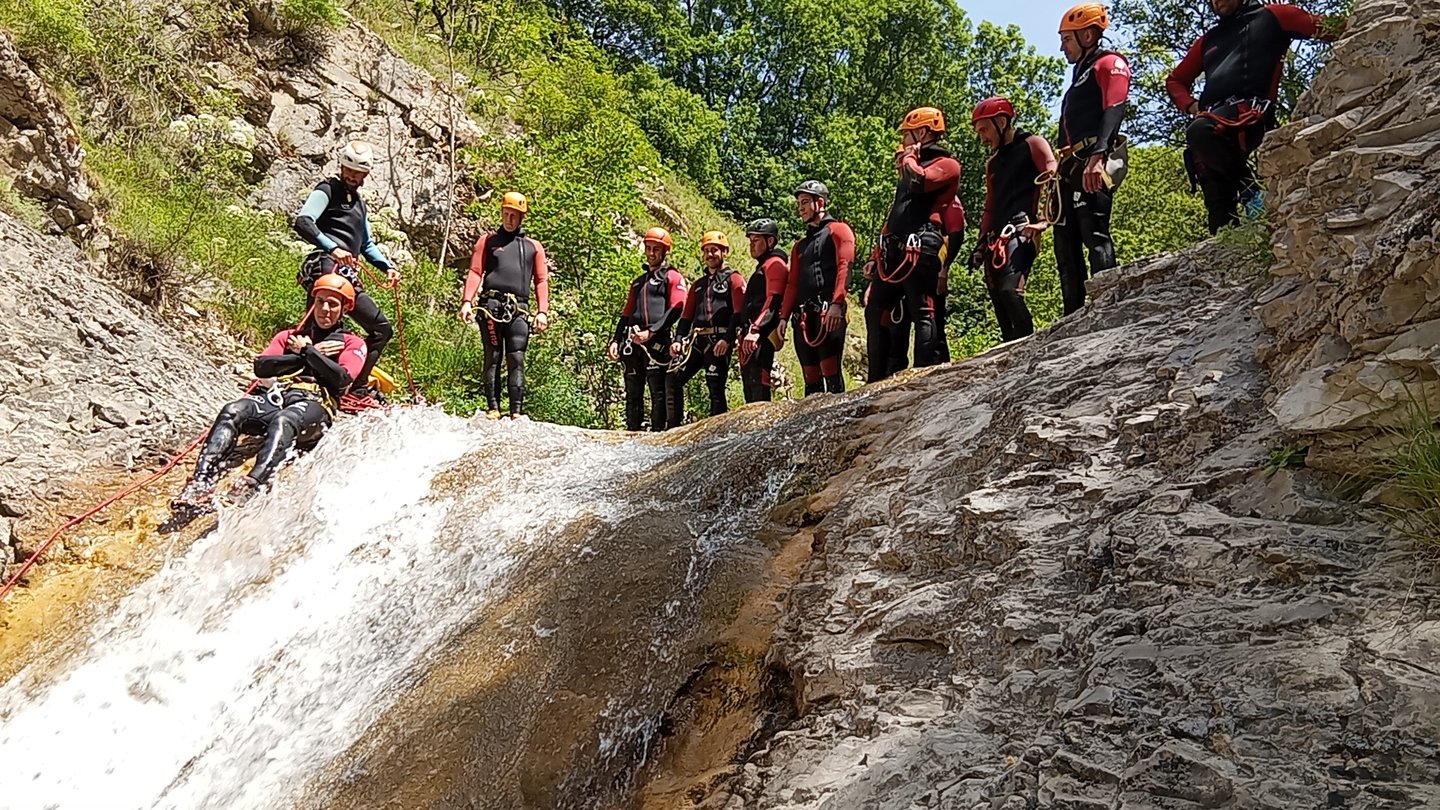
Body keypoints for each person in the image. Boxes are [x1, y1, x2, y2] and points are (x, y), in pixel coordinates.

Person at [171, 274, 368, 511]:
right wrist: (307, 352)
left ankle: (252, 484)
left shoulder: (351, 343)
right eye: (321, 301)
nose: (325, 309)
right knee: (233, 410)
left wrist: (308, 353)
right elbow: (261, 366)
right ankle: (201, 481)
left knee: (286, 419)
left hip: (316, 405)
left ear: (345, 308)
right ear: (313, 302)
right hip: (278, 397)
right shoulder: (289, 337)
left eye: (333, 304)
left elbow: (341, 379)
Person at [1165, 0, 1339, 234]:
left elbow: (1331, 27)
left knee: (1199, 131)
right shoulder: (1208, 40)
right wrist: (1191, 105)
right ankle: (1230, 258)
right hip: (1211, 125)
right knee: (1218, 210)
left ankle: (1251, 192)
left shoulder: (1274, 15)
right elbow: (1175, 81)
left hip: (1249, 113)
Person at [292, 140, 401, 398]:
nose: (352, 176)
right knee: (319, 325)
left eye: (358, 172)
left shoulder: (360, 205)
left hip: (347, 275)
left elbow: (366, 244)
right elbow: (304, 221)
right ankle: (307, 379)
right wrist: (333, 248)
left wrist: (387, 266)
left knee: (382, 329)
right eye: (349, 170)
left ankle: (356, 385)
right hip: (327, 267)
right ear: (341, 166)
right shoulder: (328, 189)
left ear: (366, 174)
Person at [863, 107, 962, 382]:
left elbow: (920, 182)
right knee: (876, 310)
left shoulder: (946, 164)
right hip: (895, 247)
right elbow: (895, 212)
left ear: (922, 132)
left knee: (922, 310)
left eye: (906, 134)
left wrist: (908, 158)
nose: (902, 140)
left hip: (922, 242)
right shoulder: (908, 168)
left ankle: (921, 378)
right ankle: (875, 380)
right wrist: (875, 254)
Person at [1055, 2, 1131, 315]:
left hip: (1093, 159)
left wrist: (1098, 155)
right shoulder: (1080, 73)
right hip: (1071, 164)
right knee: (1065, 244)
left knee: (1094, 232)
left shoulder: (1108, 63)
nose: (1062, 47)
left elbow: (1115, 107)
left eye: (1067, 39)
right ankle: (1072, 317)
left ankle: (1106, 307)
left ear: (1088, 34)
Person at [969, 96, 1057, 343]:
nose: (982, 137)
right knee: (1000, 305)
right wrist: (979, 245)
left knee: (1011, 292)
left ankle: (1031, 348)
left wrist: (1044, 221)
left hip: (1021, 231)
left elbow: (1053, 178)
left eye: (984, 129)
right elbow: (990, 207)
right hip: (995, 238)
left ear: (1001, 121)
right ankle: (1012, 359)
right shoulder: (993, 163)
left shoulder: (1033, 144)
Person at [459, 192, 551, 419]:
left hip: (519, 309)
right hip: (491, 305)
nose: (509, 219)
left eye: (514, 215)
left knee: (516, 358)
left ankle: (516, 412)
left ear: (521, 217)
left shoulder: (533, 247)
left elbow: (541, 280)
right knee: (493, 356)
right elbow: (475, 271)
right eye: (506, 214)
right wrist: (467, 301)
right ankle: (493, 408)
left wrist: (542, 312)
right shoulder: (487, 241)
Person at [607, 227, 687, 431]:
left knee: (657, 392)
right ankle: (632, 433)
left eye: (656, 249)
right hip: (633, 342)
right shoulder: (638, 283)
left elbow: (677, 308)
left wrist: (651, 332)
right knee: (633, 392)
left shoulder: (672, 277)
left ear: (665, 251)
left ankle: (658, 434)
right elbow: (626, 313)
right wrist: (615, 340)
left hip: (656, 342)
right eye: (649, 248)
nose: (651, 253)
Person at [780, 180, 854, 396]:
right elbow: (792, 283)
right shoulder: (799, 246)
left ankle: (839, 423)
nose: (800, 208)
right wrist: (784, 316)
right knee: (810, 379)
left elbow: (845, 267)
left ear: (820, 202)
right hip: (803, 318)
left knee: (830, 373)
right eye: (798, 203)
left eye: (804, 202)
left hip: (827, 313)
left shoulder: (839, 230)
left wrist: (837, 303)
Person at [666, 231, 746, 426]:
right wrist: (678, 339)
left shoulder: (733, 279)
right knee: (673, 377)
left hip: (718, 341)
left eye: (714, 250)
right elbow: (687, 315)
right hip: (697, 341)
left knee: (715, 388)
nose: (710, 255)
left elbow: (739, 313)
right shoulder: (699, 285)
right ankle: (673, 429)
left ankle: (716, 433)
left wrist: (727, 339)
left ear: (724, 252)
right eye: (707, 251)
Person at [737, 218, 790, 403]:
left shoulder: (774, 264)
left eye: (756, 240)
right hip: (752, 334)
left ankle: (760, 429)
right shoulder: (763, 265)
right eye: (750, 240)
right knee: (750, 383)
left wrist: (756, 330)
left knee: (758, 382)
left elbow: (773, 300)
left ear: (770, 241)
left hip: (761, 335)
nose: (752, 245)